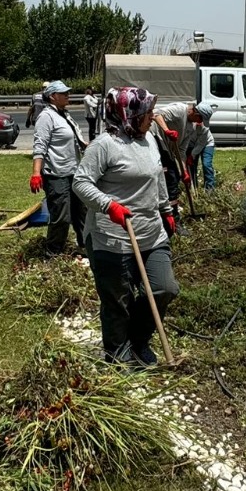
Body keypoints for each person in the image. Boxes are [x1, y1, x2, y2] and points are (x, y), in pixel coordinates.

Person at [73, 87, 179, 367]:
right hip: (112, 237)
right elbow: (80, 183)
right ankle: (117, 353)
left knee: (163, 288)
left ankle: (138, 340)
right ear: (128, 114)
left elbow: (157, 178)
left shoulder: (149, 140)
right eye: (146, 113)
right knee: (117, 302)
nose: (151, 117)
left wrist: (166, 210)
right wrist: (109, 206)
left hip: (151, 233)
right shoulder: (104, 145)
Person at [29, 79, 88, 254]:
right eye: (64, 93)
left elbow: (75, 139)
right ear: (53, 96)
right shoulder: (46, 117)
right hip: (57, 174)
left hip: (74, 172)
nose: (68, 95)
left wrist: (87, 145)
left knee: (81, 213)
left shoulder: (65, 114)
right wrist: (36, 173)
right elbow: (40, 146)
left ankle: (85, 248)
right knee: (62, 217)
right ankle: (53, 252)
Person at [151, 100, 214, 205]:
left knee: (175, 176)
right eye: (200, 119)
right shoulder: (180, 110)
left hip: (168, 148)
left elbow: (181, 151)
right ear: (195, 112)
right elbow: (157, 115)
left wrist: (184, 171)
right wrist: (167, 130)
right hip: (156, 139)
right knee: (170, 176)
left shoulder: (190, 127)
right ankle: (168, 210)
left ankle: (171, 209)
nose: (200, 122)